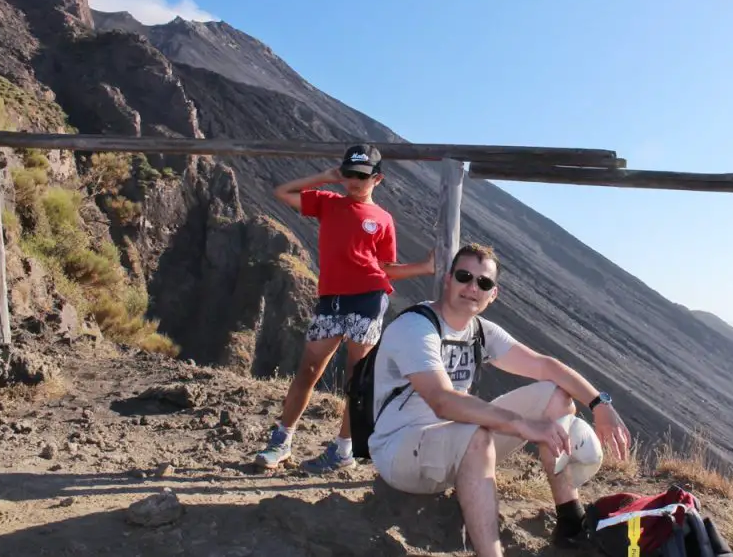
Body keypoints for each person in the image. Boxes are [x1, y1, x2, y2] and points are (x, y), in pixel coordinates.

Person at [368, 242, 632, 557]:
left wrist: (600, 404)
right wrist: (521, 425)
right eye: (464, 276)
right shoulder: (416, 327)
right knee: (477, 435)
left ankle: (570, 523)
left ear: (493, 293)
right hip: (400, 453)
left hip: (454, 447)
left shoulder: (480, 331)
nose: (472, 287)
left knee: (555, 396)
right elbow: (441, 400)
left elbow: (544, 365)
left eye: (483, 282)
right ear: (447, 279)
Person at [254, 143, 434, 473]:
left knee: (356, 378)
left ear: (377, 180)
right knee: (309, 369)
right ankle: (281, 440)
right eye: (349, 174)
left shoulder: (383, 219)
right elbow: (281, 191)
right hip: (332, 299)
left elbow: (387, 267)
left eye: (361, 176)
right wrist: (324, 177)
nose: (353, 181)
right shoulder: (326, 202)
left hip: (368, 297)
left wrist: (423, 267)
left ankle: (343, 450)